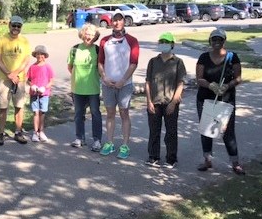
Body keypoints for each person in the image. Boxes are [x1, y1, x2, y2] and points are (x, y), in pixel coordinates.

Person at [195, 28, 245, 175]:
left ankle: (235, 163)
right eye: (214, 39)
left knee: (228, 132)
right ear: (210, 41)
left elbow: (238, 78)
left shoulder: (232, 57)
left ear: (224, 41)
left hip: (226, 98)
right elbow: (199, 78)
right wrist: (210, 85)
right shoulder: (204, 57)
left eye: (219, 40)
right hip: (205, 98)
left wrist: (227, 86)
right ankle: (207, 161)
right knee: (207, 130)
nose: (217, 42)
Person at [98, 12, 140, 159]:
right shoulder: (104, 41)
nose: (116, 23)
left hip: (125, 85)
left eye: (119, 20)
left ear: (123, 22)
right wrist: (104, 77)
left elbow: (134, 63)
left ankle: (125, 145)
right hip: (108, 84)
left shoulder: (132, 40)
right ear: (111, 22)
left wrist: (123, 80)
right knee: (109, 114)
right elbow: (100, 62)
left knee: (124, 114)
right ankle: (109, 143)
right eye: (114, 20)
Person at [144, 32, 186, 169]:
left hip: (170, 103)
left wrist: (174, 102)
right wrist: (149, 101)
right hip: (155, 102)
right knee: (154, 130)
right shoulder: (153, 61)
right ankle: (153, 156)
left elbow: (180, 83)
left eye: (166, 42)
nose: (164, 44)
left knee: (171, 131)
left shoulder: (178, 62)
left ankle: (171, 158)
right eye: (161, 41)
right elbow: (148, 82)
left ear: (172, 44)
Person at [0, 15, 32, 145]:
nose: (16, 28)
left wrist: (16, 73)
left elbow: (26, 60)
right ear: (9, 25)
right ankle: (1, 133)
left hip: (19, 79)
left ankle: (18, 132)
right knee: (3, 107)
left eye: (18, 26)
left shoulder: (25, 41)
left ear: (21, 27)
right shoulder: (1, 40)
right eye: (14, 25)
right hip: (4, 79)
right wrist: (9, 74)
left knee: (19, 106)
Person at [67, 24, 103, 151]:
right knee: (78, 114)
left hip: (92, 88)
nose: (89, 37)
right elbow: (70, 67)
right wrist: (77, 78)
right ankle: (79, 138)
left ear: (95, 37)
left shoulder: (98, 50)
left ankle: (97, 140)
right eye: (87, 34)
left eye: (92, 35)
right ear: (82, 34)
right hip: (78, 88)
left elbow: (101, 69)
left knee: (95, 114)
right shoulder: (75, 49)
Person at [27, 45, 54, 142]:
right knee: (35, 112)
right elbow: (28, 80)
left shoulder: (48, 67)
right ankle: (35, 132)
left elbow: (51, 81)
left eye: (41, 54)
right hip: (34, 93)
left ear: (45, 56)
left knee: (42, 112)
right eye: (38, 54)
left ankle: (41, 131)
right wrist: (32, 85)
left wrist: (45, 87)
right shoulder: (32, 67)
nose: (39, 56)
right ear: (35, 55)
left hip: (44, 93)